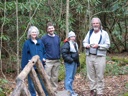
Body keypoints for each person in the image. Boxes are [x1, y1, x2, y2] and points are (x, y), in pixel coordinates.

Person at [83, 17, 110, 96]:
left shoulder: (104, 33)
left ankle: (100, 92)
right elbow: (84, 41)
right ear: (92, 24)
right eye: (94, 23)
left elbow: (107, 45)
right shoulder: (90, 32)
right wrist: (86, 45)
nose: (95, 25)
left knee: (99, 75)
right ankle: (93, 90)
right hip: (89, 56)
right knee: (90, 75)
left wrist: (98, 46)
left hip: (100, 57)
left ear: (99, 24)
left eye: (97, 23)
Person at [21, 26, 47, 96]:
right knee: (31, 83)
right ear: (30, 33)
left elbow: (44, 52)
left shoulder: (40, 42)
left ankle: (45, 94)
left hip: (41, 66)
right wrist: (24, 67)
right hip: (31, 66)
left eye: (35, 32)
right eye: (32, 32)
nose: (34, 33)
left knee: (42, 81)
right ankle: (33, 94)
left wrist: (44, 58)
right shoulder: (27, 43)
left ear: (37, 33)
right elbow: (24, 55)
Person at [41, 22, 61, 92]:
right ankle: (46, 91)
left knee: (55, 77)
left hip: (57, 60)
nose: (51, 30)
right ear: (47, 30)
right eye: (49, 29)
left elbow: (59, 48)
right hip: (48, 61)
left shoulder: (57, 37)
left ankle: (54, 90)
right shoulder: (44, 38)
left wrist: (59, 57)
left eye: (52, 28)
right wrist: (43, 58)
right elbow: (41, 49)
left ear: (54, 28)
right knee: (47, 77)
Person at [61, 31, 80, 96]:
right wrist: (71, 60)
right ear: (69, 37)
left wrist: (78, 62)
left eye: (74, 36)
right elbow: (64, 54)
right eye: (71, 36)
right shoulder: (67, 44)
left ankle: (70, 91)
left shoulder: (75, 44)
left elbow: (76, 54)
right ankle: (68, 92)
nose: (73, 38)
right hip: (69, 63)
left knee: (72, 77)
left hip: (74, 62)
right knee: (69, 77)